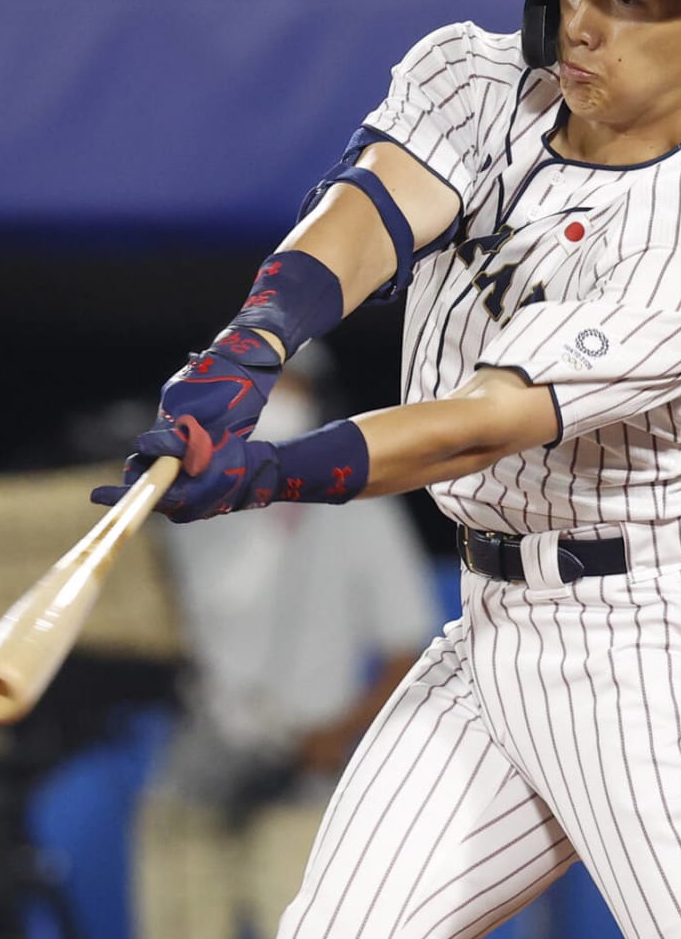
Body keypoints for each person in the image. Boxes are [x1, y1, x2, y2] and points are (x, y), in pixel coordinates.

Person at [94, 0, 681, 937]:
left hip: (661, 655)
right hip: (494, 627)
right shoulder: (480, 76)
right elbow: (374, 210)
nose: (584, 17)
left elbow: (480, 425)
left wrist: (271, 473)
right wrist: (250, 345)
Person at [133, 347, 441, 939]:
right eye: (257, 389)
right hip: (198, 767)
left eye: (287, 386)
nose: (272, 402)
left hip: (301, 776)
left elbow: (410, 647)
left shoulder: (360, 508)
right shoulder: (182, 502)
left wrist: (337, 735)